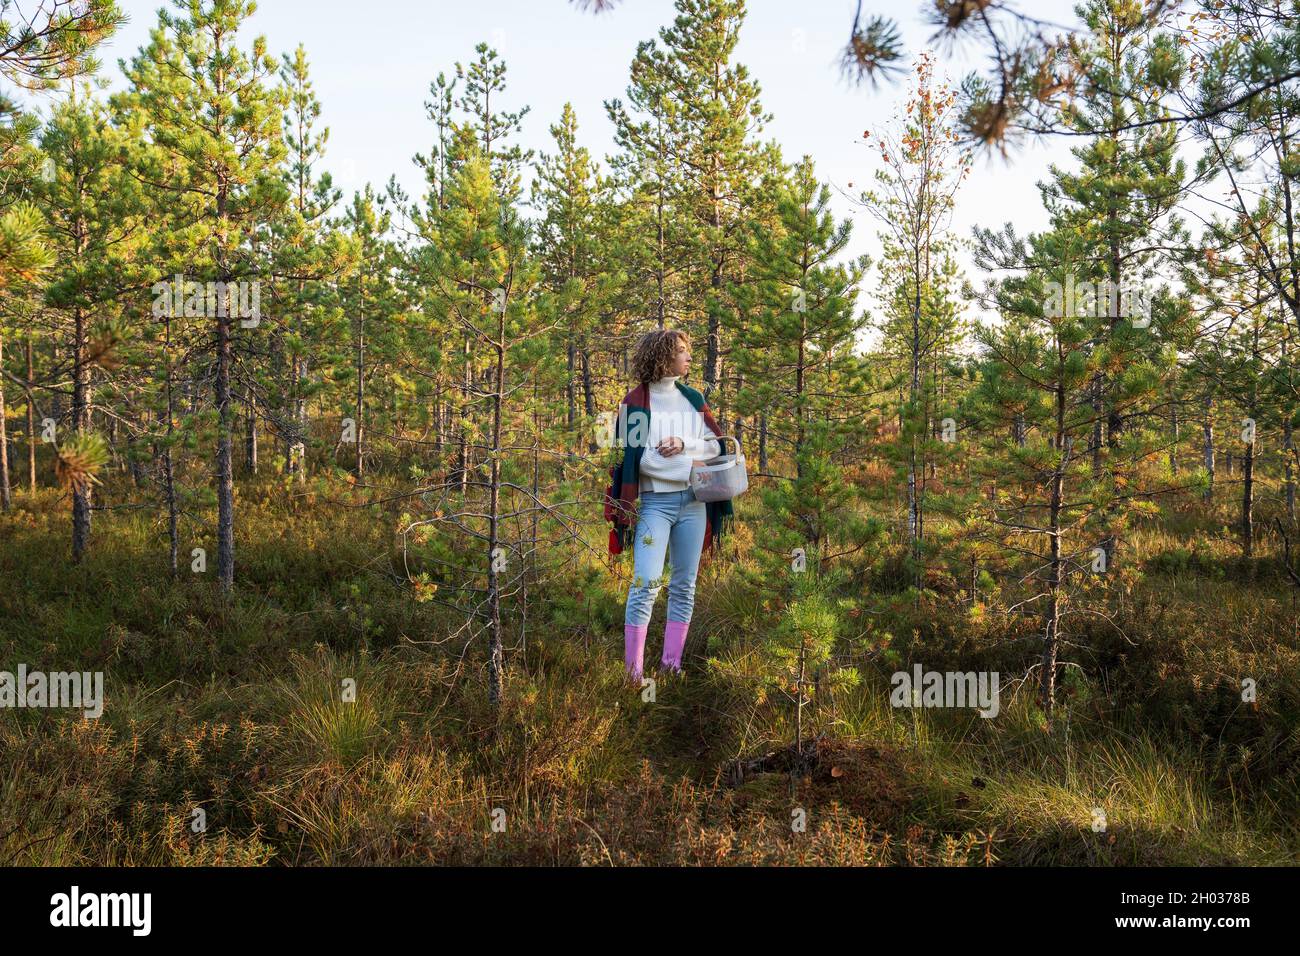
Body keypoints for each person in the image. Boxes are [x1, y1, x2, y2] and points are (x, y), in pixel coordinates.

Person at [603, 328, 733, 681]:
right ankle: (633, 675)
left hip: (694, 503)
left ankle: (671, 666)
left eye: (688, 350)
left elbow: (716, 446)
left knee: (684, 585)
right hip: (655, 506)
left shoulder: (692, 397)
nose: (688, 356)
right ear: (662, 357)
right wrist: (687, 463)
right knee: (645, 583)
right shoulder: (633, 403)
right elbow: (639, 462)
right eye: (681, 351)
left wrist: (684, 445)